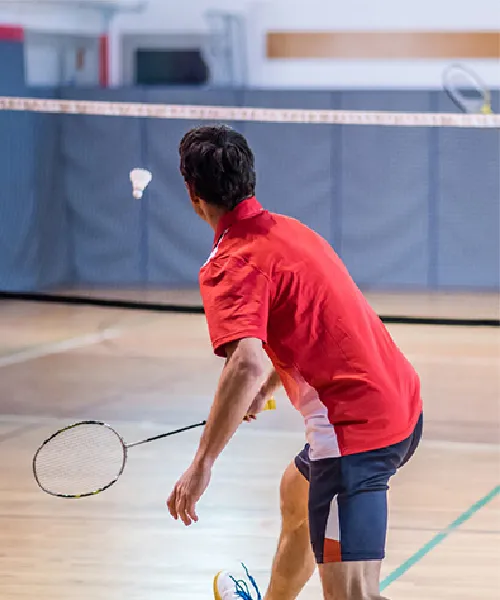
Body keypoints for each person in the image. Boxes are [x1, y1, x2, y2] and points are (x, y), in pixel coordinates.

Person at [166, 124, 423, 600]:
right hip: (402, 404)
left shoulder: (231, 263)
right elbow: (311, 325)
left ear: (192, 193)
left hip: (355, 435)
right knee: (296, 494)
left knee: (353, 596)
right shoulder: (289, 231)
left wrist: (202, 464)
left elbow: (245, 364)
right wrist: (268, 388)